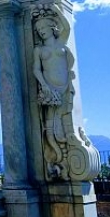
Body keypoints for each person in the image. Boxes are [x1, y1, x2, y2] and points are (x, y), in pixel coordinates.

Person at [32, 16, 74, 177]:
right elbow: (36, 69)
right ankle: (55, 157)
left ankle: (61, 157)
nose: (41, 32)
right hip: (49, 89)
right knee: (49, 125)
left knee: (65, 120)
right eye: (38, 30)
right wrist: (43, 85)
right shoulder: (39, 50)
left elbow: (67, 27)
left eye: (44, 28)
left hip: (64, 88)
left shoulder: (61, 41)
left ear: (52, 27)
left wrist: (56, 9)